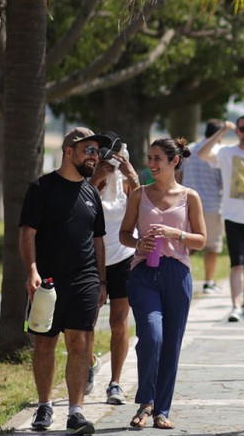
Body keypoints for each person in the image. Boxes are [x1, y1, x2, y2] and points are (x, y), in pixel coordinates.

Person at [19, 128, 111, 434]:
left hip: (85, 280)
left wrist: (102, 281)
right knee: (45, 344)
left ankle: (75, 412)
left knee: (80, 344)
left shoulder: (91, 193)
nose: (95, 156)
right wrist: (31, 270)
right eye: (89, 150)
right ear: (69, 152)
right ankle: (44, 406)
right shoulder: (41, 188)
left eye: (97, 151)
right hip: (47, 281)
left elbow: (98, 240)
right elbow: (27, 233)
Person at [119, 137, 207, 430]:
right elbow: (124, 234)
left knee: (171, 344)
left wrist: (175, 233)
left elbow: (201, 240)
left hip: (177, 274)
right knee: (151, 336)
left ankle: (161, 410)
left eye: (157, 158)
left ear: (174, 161)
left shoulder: (190, 197)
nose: (151, 163)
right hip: (143, 273)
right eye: (150, 158)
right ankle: (145, 401)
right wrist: (138, 243)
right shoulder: (139, 194)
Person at [199, 115, 244, 322]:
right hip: (233, 216)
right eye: (242, 129)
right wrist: (222, 131)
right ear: (237, 131)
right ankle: (235, 306)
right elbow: (202, 153)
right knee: (236, 264)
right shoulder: (226, 152)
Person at [88, 138, 141, 406]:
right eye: (108, 158)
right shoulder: (89, 179)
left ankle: (115, 383)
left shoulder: (127, 183)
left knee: (119, 322)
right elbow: (77, 207)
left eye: (118, 158)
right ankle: (89, 363)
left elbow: (145, 209)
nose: (113, 164)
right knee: (86, 322)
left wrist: (133, 178)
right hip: (92, 259)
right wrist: (96, 179)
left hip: (123, 257)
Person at [179, 120, 225, 295]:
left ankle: (182, 278)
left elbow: (179, 175)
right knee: (212, 247)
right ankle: (208, 282)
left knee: (186, 245)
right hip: (212, 204)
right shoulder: (218, 152)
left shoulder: (190, 148)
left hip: (188, 204)